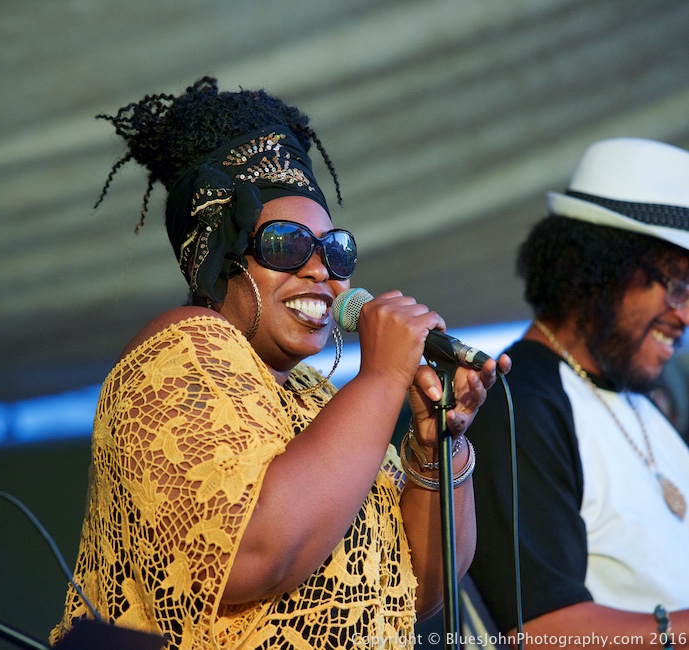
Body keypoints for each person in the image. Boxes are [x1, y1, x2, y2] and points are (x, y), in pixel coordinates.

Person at [49, 77, 508, 649]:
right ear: (219, 260)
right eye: (287, 245)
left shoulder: (321, 400)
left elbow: (421, 591)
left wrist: (438, 441)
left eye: (335, 249)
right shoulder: (178, 349)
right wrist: (384, 376)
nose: (321, 270)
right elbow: (253, 553)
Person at [468, 137, 689, 649]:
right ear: (597, 271)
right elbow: (544, 632)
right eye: (675, 286)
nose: (684, 317)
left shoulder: (636, 400)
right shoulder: (516, 402)